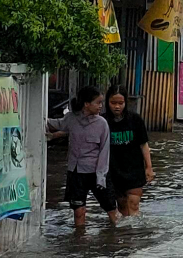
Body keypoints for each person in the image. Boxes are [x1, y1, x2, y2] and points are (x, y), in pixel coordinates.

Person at [46, 85, 119, 227]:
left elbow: (104, 152)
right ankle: (79, 237)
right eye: (98, 103)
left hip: (96, 172)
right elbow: (57, 124)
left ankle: (119, 236)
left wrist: (101, 176)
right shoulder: (72, 119)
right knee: (78, 212)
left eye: (101, 103)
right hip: (76, 173)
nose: (101, 106)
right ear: (86, 104)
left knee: (111, 210)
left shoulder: (102, 124)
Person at [104, 86, 154, 217]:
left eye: (120, 103)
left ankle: (135, 229)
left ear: (126, 102)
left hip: (134, 169)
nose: (117, 107)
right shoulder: (102, 122)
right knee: (121, 205)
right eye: (113, 103)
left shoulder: (135, 120)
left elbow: (144, 145)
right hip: (113, 170)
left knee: (133, 203)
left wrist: (149, 167)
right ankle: (125, 230)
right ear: (107, 102)